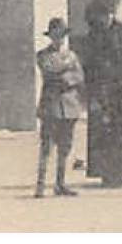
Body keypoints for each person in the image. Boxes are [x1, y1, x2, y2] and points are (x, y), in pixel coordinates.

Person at [78, 0, 122, 187]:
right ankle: (104, 173)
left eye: (107, 13)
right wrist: (91, 92)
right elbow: (89, 65)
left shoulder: (120, 33)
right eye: (101, 14)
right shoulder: (94, 34)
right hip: (100, 89)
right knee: (101, 132)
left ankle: (118, 172)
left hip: (117, 89)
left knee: (117, 131)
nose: (103, 18)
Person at [34, 16, 85, 197]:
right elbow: (50, 72)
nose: (59, 39)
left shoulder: (72, 56)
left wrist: (67, 76)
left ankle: (60, 183)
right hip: (51, 105)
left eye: (61, 35)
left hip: (69, 105)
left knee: (65, 146)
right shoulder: (43, 54)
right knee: (46, 146)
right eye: (56, 35)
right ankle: (40, 184)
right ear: (50, 36)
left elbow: (79, 77)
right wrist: (66, 69)